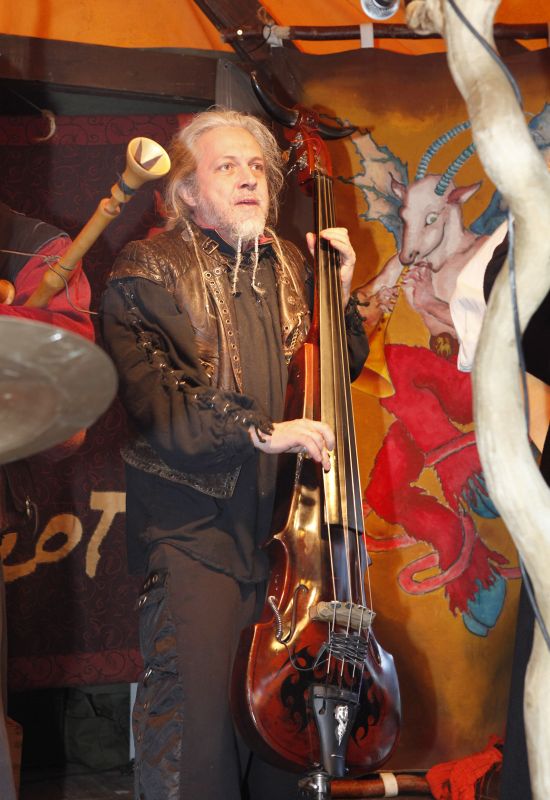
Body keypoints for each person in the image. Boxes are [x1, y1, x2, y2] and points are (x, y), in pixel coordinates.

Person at [100, 108, 369, 800]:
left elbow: (331, 377)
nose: (250, 179)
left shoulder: (292, 266)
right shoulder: (148, 268)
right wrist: (260, 430)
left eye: (258, 168)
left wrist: (337, 298)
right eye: (228, 167)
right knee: (200, 744)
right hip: (196, 533)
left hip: (288, 545)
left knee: (283, 736)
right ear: (188, 192)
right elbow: (160, 402)